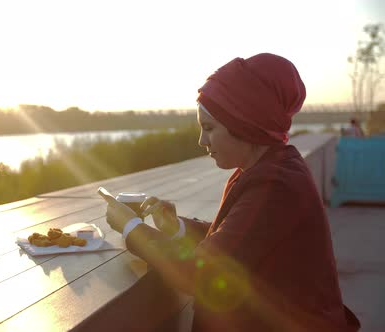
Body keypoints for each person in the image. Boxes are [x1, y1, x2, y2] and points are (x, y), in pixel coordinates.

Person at [102, 53, 360, 331]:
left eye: (209, 128)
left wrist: (130, 227)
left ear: (243, 122)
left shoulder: (276, 187)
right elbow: (235, 243)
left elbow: (200, 272)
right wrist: (177, 227)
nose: (202, 141)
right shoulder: (270, 168)